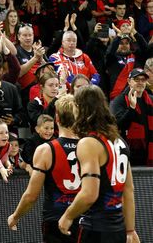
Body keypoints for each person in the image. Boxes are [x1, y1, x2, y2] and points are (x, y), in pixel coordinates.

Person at [58, 85, 140, 243]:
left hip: (95, 228)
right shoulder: (119, 141)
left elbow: (89, 194)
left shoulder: (88, 143)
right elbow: (128, 190)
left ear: (79, 108)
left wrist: (68, 216)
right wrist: (130, 230)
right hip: (118, 229)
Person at [8, 95, 81, 243]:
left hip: (55, 217)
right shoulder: (91, 146)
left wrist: (15, 216)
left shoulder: (46, 150)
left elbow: (31, 196)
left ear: (57, 119)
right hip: (84, 217)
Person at [111, 68, 152, 166]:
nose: (140, 82)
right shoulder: (119, 101)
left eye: (143, 80)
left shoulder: (150, 101)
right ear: (129, 81)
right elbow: (117, 125)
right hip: (128, 155)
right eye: (137, 79)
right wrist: (132, 108)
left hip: (148, 154)